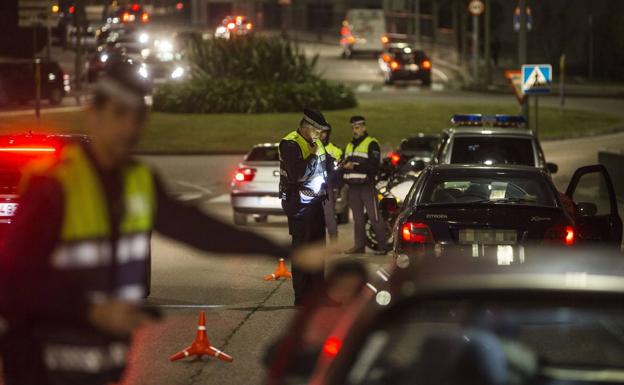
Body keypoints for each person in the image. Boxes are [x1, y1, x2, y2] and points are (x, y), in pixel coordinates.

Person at [0, 61, 314, 385]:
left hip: (101, 366)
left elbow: (196, 228)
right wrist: (90, 311)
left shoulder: (138, 181)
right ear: (93, 114)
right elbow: (15, 283)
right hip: (40, 367)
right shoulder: (54, 186)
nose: (129, 128)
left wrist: (283, 250)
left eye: (137, 119)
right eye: (118, 114)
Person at [279, 109, 329, 306]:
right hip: (298, 204)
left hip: (316, 203)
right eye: (317, 130)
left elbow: (324, 167)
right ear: (306, 127)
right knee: (302, 251)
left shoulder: (315, 144)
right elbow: (296, 174)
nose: (320, 134)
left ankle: (319, 295)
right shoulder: (290, 144)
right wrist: (313, 156)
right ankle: (302, 298)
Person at [342, 115, 387, 254]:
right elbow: (345, 163)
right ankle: (359, 246)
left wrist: (354, 166)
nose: (355, 130)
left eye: (357, 127)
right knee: (358, 219)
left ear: (363, 127)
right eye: (353, 128)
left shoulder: (371, 143)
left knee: (374, 217)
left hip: (366, 185)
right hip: (353, 187)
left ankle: (383, 247)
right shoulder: (350, 145)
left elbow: (374, 167)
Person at [320, 124, 343, 240]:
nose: (322, 134)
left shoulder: (336, 150)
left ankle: (334, 241)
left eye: (324, 132)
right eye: (320, 132)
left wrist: (336, 187)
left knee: (329, 215)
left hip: (329, 185)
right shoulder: (312, 147)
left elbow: (338, 170)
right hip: (314, 186)